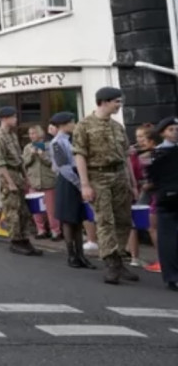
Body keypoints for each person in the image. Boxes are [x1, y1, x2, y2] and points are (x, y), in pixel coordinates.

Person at [73, 86, 139, 285]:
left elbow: (126, 156)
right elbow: (80, 156)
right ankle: (110, 261)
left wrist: (132, 183)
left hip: (119, 175)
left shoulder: (117, 127)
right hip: (97, 176)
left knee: (124, 219)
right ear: (104, 101)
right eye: (117, 101)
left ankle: (118, 258)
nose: (119, 105)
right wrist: (85, 184)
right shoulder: (84, 126)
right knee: (105, 220)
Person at [0, 106, 42, 256]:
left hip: (17, 174)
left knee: (23, 211)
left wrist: (25, 177)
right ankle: (16, 241)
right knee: (13, 211)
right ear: (4, 119)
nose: (16, 119)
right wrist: (10, 182)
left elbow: (19, 159)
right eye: (13, 117)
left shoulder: (12, 135)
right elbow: (1, 164)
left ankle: (24, 239)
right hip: (9, 175)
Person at [50, 112, 96, 269]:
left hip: (78, 177)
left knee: (78, 218)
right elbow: (63, 167)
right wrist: (79, 184)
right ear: (63, 124)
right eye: (72, 122)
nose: (74, 124)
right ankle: (71, 255)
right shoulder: (57, 142)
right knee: (69, 219)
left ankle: (80, 254)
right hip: (68, 181)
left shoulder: (73, 139)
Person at [147, 116, 178, 291]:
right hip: (167, 198)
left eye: (176, 129)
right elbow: (153, 179)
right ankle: (172, 276)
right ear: (163, 133)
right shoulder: (158, 153)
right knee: (167, 238)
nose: (175, 133)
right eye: (171, 130)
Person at [129, 124, 160, 272]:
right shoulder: (135, 154)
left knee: (152, 227)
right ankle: (135, 258)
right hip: (137, 193)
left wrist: (145, 184)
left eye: (142, 137)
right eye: (137, 137)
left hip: (152, 194)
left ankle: (163, 260)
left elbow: (151, 177)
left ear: (151, 139)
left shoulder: (154, 154)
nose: (139, 140)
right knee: (133, 225)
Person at [23, 125, 59, 240]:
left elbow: (53, 164)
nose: (31, 136)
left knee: (51, 209)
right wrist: (32, 156)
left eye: (33, 133)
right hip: (33, 181)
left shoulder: (49, 145)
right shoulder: (27, 147)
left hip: (48, 181)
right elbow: (24, 164)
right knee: (36, 209)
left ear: (39, 134)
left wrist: (42, 155)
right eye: (30, 133)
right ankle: (41, 230)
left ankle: (55, 231)